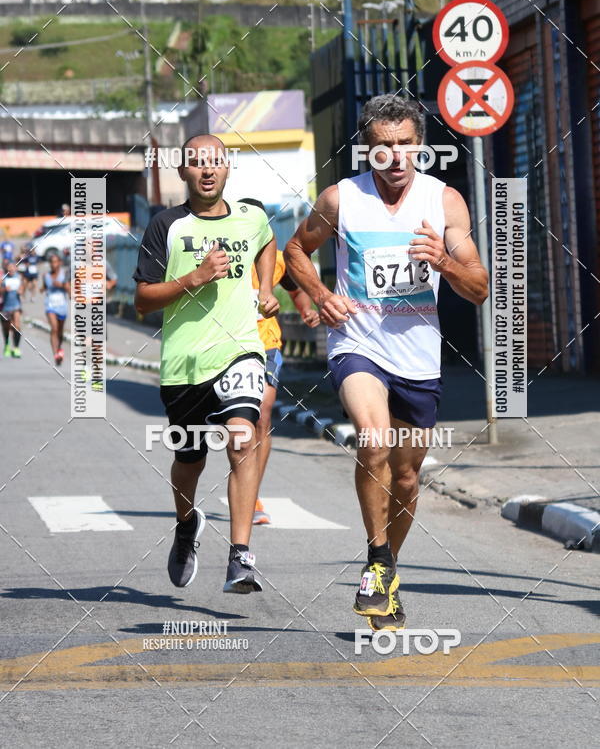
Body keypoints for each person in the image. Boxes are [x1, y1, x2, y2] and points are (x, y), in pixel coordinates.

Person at [284, 94, 488, 630]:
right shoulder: (339, 199)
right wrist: (322, 295)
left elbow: (480, 287)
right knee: (372, 441)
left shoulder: (444, 203)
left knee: (406, 479)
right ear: (365, 149)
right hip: (358, 343)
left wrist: (442, 261)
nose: (394, 157)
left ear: (420, 145)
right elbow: (295, 251)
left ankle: (386, 571)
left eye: (404, 145)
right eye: (381, 147)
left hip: (418, 355)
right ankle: (376, 560)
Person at [134, 134, 279, 594]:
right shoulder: (166, 226)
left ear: (227, 168)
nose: (207, 170)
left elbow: (267, 241)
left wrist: (266, 289)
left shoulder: (250, 217)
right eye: (197, 163)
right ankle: (184, 524)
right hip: (184, 364)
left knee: (242, 438)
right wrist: (194, 278)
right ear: (183, 172)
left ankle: (240, 557)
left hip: (240, 349)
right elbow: (142, 299)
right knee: (189, 460)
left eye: (215, 161)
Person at [240, 198, 320, 526]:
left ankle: (252, 494)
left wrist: (306, 310)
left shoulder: (277, 259)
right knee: (240, 426)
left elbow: (294, 286)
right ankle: (241, 482)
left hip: (267, 344)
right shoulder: (224, 256)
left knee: (262, 416)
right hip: (227, 347)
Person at [41, 253, 70, 365]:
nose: (53, 264)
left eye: (55, 262)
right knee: (54, 328)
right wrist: (42, 289)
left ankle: (59, 347)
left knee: (60, 331)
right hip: (50, 305)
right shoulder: (46, 275)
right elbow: (44, 286)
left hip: (62, 306)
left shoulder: (65, 275)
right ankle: (56, 354)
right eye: (51, 262)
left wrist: (61, 286)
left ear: (60, 263)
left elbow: (69, 289)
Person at [1, 262, 24, 358]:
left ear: (16, 269)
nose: (11, 270)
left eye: (13, 268)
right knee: (6, 327)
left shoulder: (19, 278)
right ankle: (7, 344)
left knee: (17, 326)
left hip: (16, 306)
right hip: (5, 306)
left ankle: (16, 348)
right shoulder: (3, 279)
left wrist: (20, 291)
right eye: (9, 268)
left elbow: (22, 289)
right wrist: (4, 289)